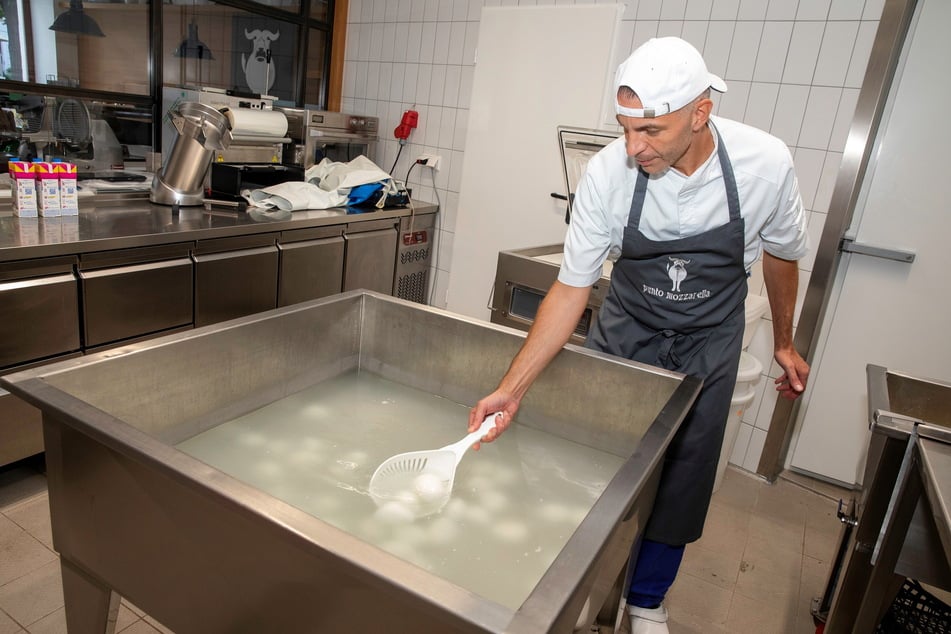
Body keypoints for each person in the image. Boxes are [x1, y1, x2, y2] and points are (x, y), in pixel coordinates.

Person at [468, 37, 810, 633]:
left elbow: (781, 256)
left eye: (650, 130)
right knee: (595, 463)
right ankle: (577, 586)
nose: (632, 146)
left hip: (710, 340)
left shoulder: (765, 164)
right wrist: (512, 388)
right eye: (625, 127)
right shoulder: (609, 172)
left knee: (684, 477)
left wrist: (783, 340)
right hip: (627, 329)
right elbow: (572, 289)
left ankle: (646, 601)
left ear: (700, 114)